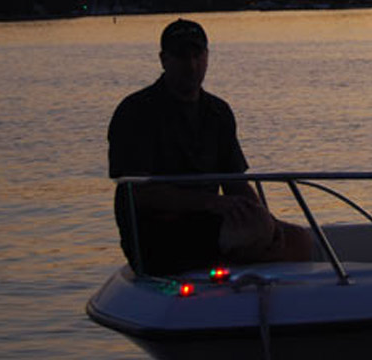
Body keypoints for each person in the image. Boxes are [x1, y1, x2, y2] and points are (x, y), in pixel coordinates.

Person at [108, 19, 310, 275]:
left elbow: (235, 181)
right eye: (181, 56)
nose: (191, 65)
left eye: (197, 55)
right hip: (158, 232)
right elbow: (138, 193)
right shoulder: (136, 112)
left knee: (299, 240)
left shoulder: (218, 112)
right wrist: (212, 203)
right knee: (254, 232)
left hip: (210, 223)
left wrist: (267, 220)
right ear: (164, 60)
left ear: (207, 56)